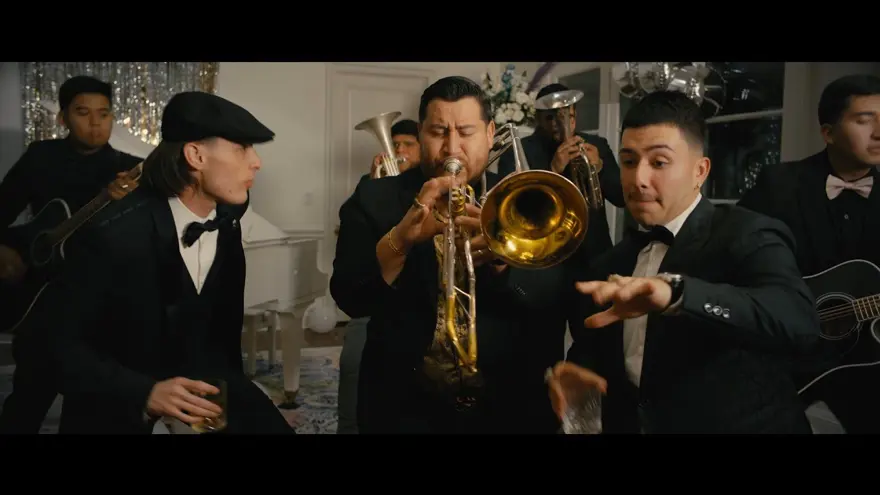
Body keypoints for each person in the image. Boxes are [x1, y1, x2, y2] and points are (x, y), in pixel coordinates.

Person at [549, 90, 820, 434]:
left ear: (699, 171)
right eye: (629, 161)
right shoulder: (611, 261)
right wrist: (576, 375)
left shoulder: (748, 233)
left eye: (659, 162)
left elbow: (799, 322)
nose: (638, 179)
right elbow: (597, 351)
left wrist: (676, 293)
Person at [26, 90, 295, 434]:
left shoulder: (226, 222)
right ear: (195, 155)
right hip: (120, 401)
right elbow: (52, 345)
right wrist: (146, 394)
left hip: (203, 388)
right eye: (242, 148)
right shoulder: (113, 236)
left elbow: (220, 338)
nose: (256, 162)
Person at [331, 76, 587, 434]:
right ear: (421, 134)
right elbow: (350, 297)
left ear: (490, 133)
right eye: (438, 132)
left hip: (510, 404)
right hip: (404, 404)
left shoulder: (527, 196)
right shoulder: (374, 197)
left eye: (466, 132)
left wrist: (505, 262)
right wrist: (400, 240)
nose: (452, 149)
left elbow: (558, 294)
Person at [0, 75, 143, 434]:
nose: (96, 123)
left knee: (89, 409)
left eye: (104, 113)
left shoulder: (130, 171)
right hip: (39, 296)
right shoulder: (40, 157)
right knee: (27, 398)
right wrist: (4, 250)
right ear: (63, 118)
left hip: (98, 305)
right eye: (83, 113)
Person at [738, 74, 880, 433]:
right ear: (828, 133)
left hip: (863, 360)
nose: (879, 133)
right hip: (779, 356)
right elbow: (731, 253)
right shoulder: (779, 185)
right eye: (865, 120)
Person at [337, 118, 422, 434]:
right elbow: (350, 232)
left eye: (407, 145)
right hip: (373, 295)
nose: (399, 151)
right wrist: (375, 184)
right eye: (395, 144)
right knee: (353, 363)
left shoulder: (428, 186)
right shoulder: (369, 184)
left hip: (412, 301)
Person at [496, 83, 625, 260]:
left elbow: (621, 197)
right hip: (545, 255)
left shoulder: (597, 144)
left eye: (567, 116)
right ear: (538, 118)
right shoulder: (517, 151)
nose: (559, 124)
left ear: (575, 116)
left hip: (594, 253)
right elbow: (514, 213)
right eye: (550, 118)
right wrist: (553, 170)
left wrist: (599, 167)